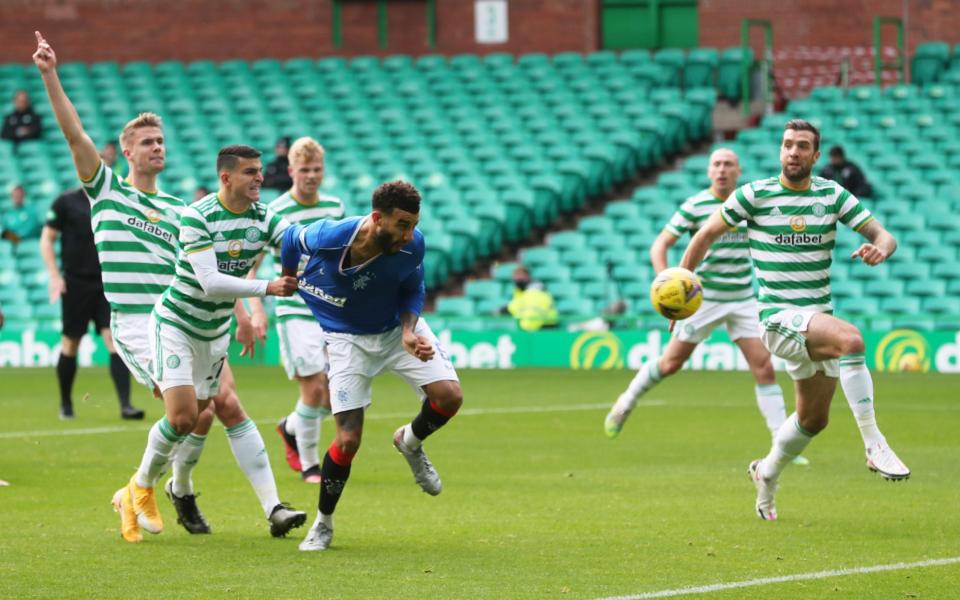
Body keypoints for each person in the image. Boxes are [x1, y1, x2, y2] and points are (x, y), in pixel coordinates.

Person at [33, 32, 305, 543]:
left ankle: (193, 493)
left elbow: (217, 266)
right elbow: (74, 137)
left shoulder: (184, 210)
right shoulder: (106, 189)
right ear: (127, 151)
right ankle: (147, 487)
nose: (158, 148)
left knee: (217, 406)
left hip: (188, 315)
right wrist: (50, 74)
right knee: (189, 412)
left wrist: (245, 316)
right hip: (140, 321)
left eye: (162, 141)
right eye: (148, 142)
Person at [678, 119, 909, 521]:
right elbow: (703, 236)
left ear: (816, 156)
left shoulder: (831, 194)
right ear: (780, 151)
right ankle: (874, 444)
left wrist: (881, 249)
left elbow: (885, 236)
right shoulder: (755, 194)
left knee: (812, 419)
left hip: (816, 321)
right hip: (776, 319)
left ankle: (766, 473)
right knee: (852, 341)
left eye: (802, 146)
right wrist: (682, 287)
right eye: (787, 145)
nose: (793, 152)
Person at [282, 181, 463, 552]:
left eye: (414, 224)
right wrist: (288, 278)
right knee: (347, 440)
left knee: (449, 397)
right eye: (402, 224)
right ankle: (323, 524)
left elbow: (413, 287)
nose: (409, 233)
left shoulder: (413, 245)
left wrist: (410, 330)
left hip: (397, 330)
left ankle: (409, 442)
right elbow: (288, 239)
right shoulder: (331, 235)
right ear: (377, 219)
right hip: (348, 341)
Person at [603, 148, 804, 465]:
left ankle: (781, 447)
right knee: (670, 364)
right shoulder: (696, 205)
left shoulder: (747, 204)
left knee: (764, 368)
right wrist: (666, 281)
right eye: (716, 164)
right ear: (709, 171)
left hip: (741, 298)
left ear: (739, 170)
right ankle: (626, 402)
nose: (722, 170)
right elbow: (661, 244)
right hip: (702, 299)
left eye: (728, 164)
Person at [249, 136, 344, 484]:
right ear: (291, 171)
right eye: (304, 169)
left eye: (317, 169)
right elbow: (252, 267)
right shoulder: (276, 213)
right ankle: (310, 465)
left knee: (337, 393)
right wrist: (256, 310)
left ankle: (291, 428)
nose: (311, 176)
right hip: (293, 310)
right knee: (314, 387)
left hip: (331, 309)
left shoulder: (335, 207)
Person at [40, 184, 143, 421]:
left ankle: (126, 405)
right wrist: (55, 276)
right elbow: (47, 239)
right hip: (75, 283)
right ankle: (66, 403)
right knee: (71, 343)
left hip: (107, 283)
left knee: (113, 340)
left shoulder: (113, 200)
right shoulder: (65, 202)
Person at [505, 265, 558, 331]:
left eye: (520, 275)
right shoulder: (519, 294)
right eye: (515, 275)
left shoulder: (535, 292)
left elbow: (533, 313)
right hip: (530, 329)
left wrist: (525, 329)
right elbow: (514, 306)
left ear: (527, 276)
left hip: (545, 328)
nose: (517, 278)